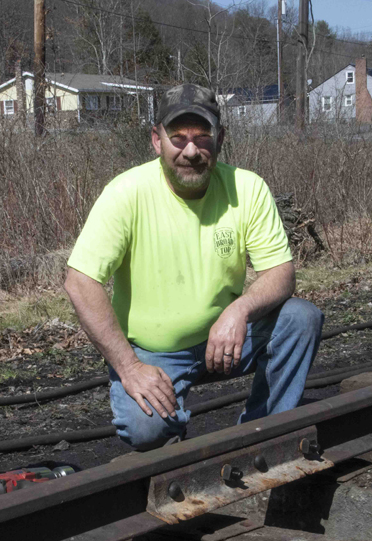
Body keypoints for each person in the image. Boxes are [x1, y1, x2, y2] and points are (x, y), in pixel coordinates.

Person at [64, 84, 323, 452]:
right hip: (153, 352)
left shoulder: (247, 188)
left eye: (203, 137)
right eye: (178, 138)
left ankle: (262, 433)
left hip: (229, 338)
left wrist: (239, 310)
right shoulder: (126, 193)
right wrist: (130, 368)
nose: (191, 151)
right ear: (156, 140)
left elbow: (282, 272)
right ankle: (172, 434)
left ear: (221, 139)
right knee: (145, 429)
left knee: (301, 318)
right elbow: (80, 282)